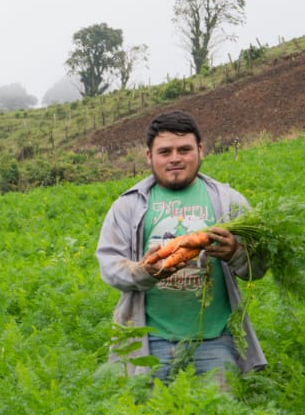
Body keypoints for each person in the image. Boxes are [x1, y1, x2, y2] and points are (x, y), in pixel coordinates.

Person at [96, 109, 267, 385]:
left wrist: (236, 252)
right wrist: (143, 271)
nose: (175, 158)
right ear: (149, 156)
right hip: (150, 341)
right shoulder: (128, 205)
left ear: (200, 150)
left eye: (184, 149)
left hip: (215, 340)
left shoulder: (229, 201)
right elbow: (109, 265)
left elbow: (258, 267)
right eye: (165, 152)